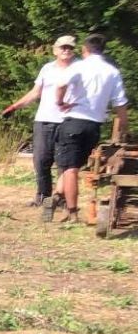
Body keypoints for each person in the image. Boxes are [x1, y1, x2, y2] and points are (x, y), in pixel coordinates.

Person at [48, 33, 128, 223]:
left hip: (74, 120)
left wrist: (60, 102)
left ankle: (72, 211)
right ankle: (58, 196)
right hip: (94, 125)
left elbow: (61, 85)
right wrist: (124, 125)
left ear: (85, 50)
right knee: (75, 165)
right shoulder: (112, 72)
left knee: (69, 169)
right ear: (103, 50)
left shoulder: (79, 67)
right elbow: (120, 103)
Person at [2, 35, 79, 205]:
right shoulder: (47, 68)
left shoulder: (79, 69)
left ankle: (61, 199)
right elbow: (35, 93)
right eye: (63, 47)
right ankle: (43, 197)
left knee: (63, 162)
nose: (66, 50)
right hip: (44, 120)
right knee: (41, 160)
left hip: (69, 121)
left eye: (70, 48)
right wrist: (14, 107)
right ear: (55, 50)